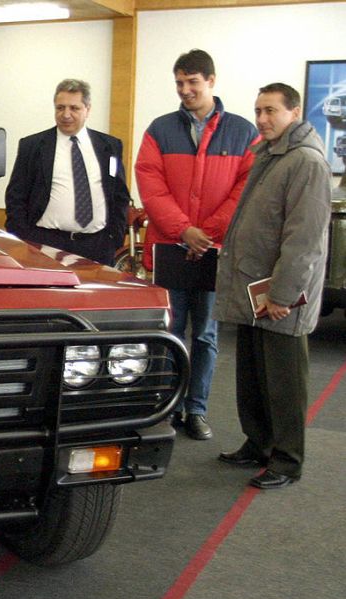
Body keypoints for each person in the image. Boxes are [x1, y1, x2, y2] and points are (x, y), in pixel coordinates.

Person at [135, 49, 258, 441]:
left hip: (214, 252)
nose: (185, 90)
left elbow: (245, 189)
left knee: (206, 335)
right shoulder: (159, 129)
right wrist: (184, 230)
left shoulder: (242, 132)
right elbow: (150, 185)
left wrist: (205, 235)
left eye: (193, 82)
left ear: (211, 82)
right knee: (169, 332)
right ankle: (165, 407)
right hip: (170, 248)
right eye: (179, 83)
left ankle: (196, 410)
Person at [214, 83, 331, 489]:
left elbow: (305, 240)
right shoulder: (270, 155)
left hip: (279, 297)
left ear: (294, 113)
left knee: (284, 384)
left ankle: (287, 460)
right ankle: (258, 444)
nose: (262, 119)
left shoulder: (307, 163)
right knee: (253, 377)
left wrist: (282, 295)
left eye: (271, 111)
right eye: (258, 111)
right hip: (253, 292)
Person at [5, 79, 130, 266]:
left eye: (74, 108)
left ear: (88, 109)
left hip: (97, 246)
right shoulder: (32, 146)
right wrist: (23, 238)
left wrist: (115, 239)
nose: (66, 115)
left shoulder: (110, 146)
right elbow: (16, 196)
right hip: (46, 244)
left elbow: (119, 194)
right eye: (60, 108)